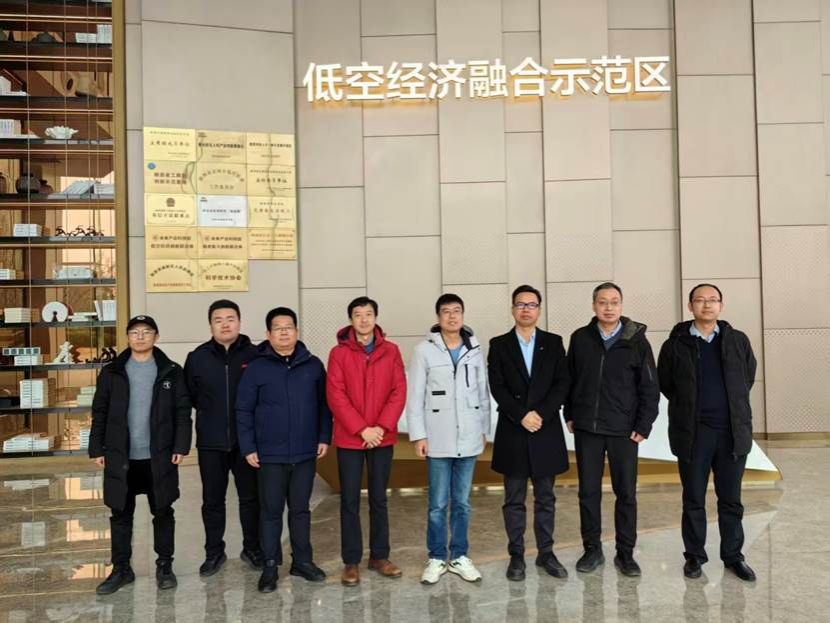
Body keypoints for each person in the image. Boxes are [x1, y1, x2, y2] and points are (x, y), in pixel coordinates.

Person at [658, 284, 758, 582]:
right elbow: (667, 384)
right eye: (700, 300)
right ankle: (694, 556)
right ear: (690, 306)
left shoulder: (737, 340)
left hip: (731, 432)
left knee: (731, 499)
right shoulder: (674, 344)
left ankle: (733, 556)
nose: (707, 305)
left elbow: (747, 377)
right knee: (693, 498)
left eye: (713, 300)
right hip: (694, 433)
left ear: (721, 306)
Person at [89, 315, 192, 595]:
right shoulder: (112, 372)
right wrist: (97, 447)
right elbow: (100, 411)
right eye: (135, 332)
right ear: (127, 337)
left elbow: (183, 412)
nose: (141, 337)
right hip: (121, 455)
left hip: (159, 456)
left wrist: (181, 446)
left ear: (156, 337)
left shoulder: (171, 371)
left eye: (147, 332)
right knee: (120, 514)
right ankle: (121, 569)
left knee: (163, 511)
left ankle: (164, 565)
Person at [565, 282, 659, 577]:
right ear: (594, 306)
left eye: (614, 302)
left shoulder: (637, 341)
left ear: (621, 305)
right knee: (588, 492)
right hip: (588, 429)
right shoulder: (580, 338)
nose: (608, 307)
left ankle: (625, 554)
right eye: (602, 302)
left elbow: (649, 387)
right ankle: (592, 550)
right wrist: (570, 413)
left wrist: (643, 425)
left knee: (626, 494)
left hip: (624, 430)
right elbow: (569, 379)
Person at [236, 307, 332, 593]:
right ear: (268, 334)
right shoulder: (256, 368)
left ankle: (302, 561)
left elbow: (324, 405)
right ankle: (269, 565)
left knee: (300, 510)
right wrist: (248, 447)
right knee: (271, 511)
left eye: (288, 327)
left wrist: (324, 437)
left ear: (297, 331)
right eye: (278, 328)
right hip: (270, 455)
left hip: (304, 453)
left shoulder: (313, 365)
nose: (284, 332)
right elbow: (243, 409)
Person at [406, 293, 491, 585]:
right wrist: (419, 435)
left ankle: (459, 556)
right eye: (446, 311)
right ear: (438, 317)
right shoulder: (424, 351)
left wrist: (484, 429)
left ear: (463, 316)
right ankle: (436, 557)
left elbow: (482, 392)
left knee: (463, 503)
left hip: (469, 435)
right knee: (438, 504)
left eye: (457, 311)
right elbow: (415, 396)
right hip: (438, 437)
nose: (452, 316)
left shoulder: (474, 349)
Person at [488, 285, 570, 581]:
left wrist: (541, 414)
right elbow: (497, 386)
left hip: (545, 430)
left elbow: (562, 383)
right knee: (514, 499)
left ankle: (546, 553)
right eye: (520, 304)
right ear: (512, 309)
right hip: (514, 429)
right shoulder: (499, 344)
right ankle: (517, 555)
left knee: (546, 498)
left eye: (532, 304)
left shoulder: (553, 342)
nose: (526, 309)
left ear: (539, 310)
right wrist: (522, 414)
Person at [327, 296, 407, 586]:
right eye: (358, 315)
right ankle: (351, 561)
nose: (363, 319)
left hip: (381, 438)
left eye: (368, 314)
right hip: (351, 438)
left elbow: (399, 390)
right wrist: (362, 429)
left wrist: (381, 427)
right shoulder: (338, 353)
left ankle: (380, 557)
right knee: (349, 499)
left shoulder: (391, 351)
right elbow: (335, 394)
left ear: (376, 318)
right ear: (351, 320)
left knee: (379, 498)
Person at [184, 299, 261, 577]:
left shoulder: (256, 355)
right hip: (211, 442)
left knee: (251, 499)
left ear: (239, 322)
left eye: (230, 319)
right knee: (212, 501)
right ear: (210, 325)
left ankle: (252, 548)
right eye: (218, 320)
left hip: (247, 443)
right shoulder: (197, 357)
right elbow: (191, 397)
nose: (225, 324)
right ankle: (214, 552)